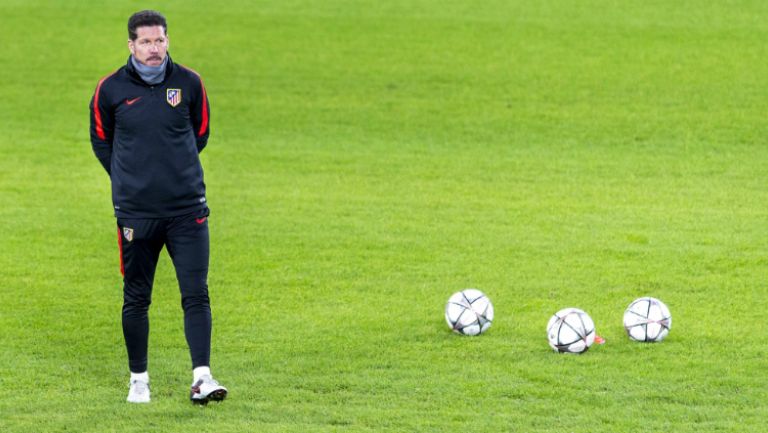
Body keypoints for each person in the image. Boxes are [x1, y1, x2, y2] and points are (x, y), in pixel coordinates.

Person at [89, 10, 227, 404]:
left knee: (196, 293)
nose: (155, 48)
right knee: (136, 297)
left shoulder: (189, 83)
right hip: (136, 215)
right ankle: (139, 379)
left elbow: (200, 133)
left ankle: (202, 377)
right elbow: (102, 141)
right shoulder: (110, 89)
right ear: (131, 45)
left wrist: (172, 173)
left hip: (188, 210)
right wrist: (128, 179)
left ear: (168, 41)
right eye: (146, 41)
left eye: (160, 40)